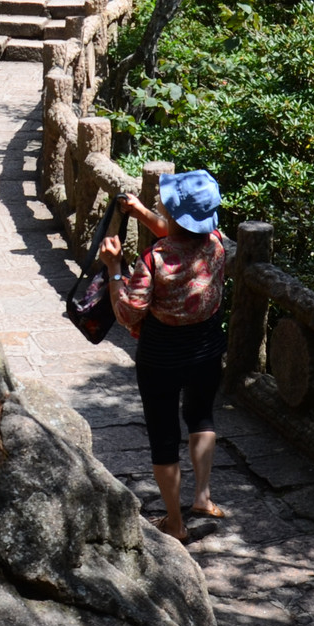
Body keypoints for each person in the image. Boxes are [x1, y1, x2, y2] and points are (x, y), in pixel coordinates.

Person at [100, 170, 227, 542]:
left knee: (163, 434)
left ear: (172, 214)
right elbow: (178, 236)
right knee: (202, 417)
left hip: (161, 358)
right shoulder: (216, 245)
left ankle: (175, 521)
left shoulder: (153, 261)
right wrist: (140, 212)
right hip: (205, 349)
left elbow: (128, 313)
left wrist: (114, 268)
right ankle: (202, 497)